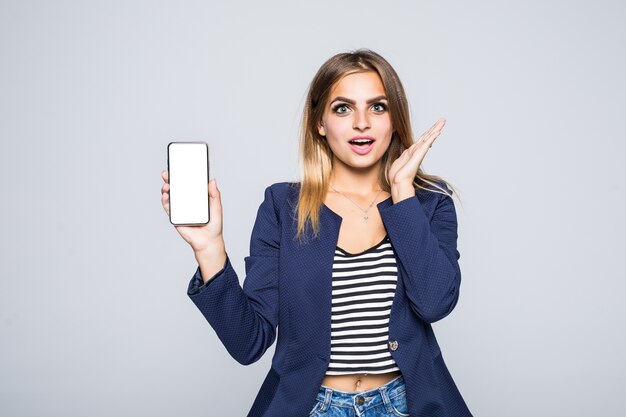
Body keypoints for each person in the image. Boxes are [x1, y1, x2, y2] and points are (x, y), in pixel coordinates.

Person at [160, 49, 473, 417]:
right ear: (319, 123)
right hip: (313, 407)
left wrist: (402, 190)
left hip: (405, 405)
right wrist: (209, 249)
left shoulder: (428, 205)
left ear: (394, 119)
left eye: (377, 107)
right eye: (343, 108)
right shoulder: (283, 205)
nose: (361, 123)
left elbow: (435, 303)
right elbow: (249, 343)